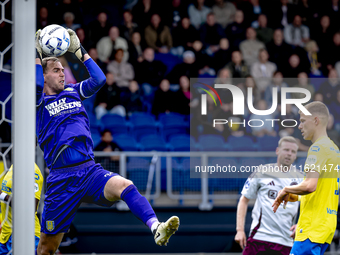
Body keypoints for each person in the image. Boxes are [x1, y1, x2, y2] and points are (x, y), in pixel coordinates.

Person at [34, 28, 179, 255]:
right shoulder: (38, 101)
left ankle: (156, 227)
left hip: (89, 171)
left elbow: (99, 79)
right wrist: (37, 52)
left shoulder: (73, 91)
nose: (63, 74)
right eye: (56, 70)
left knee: (125, 185)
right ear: (44, 76)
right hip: (61, 180)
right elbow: (34, 82)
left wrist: (79, 51)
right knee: (46, 249)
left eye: (63, 69)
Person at [273, 101, 339, 255]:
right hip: (325, 226)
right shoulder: (333, 149)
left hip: (312, 228)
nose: (299, 126)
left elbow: (310, 186)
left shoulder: (317, 148)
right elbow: (322, 190)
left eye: (302, 121)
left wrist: (285, 189)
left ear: (316, 120)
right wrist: (295, 196)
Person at [235, 136, 303, 255]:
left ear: (296, 155)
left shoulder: (302, 179)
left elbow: (312, 205)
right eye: (286, 150)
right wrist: (240, 230)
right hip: (259, 238)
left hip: (286, 241)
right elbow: (244, 200)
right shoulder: (262, 172)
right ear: (277, 151)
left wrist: (302, 224)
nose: (289, 154)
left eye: (293, 152)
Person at [0, 163, 44, 255]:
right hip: (6, 235)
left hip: (25, 236)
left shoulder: (33, 171)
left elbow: (31, 207)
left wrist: (3, 196)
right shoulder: (14, 165)